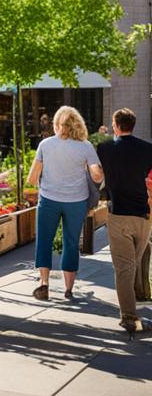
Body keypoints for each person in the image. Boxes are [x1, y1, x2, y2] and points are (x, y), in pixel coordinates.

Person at [27, 105, 103, 302]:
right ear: (76, 124)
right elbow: (97, 174)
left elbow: (32, 178)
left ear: (56, 124)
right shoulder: (85, 146)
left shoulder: (45, 145)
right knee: (71, 243)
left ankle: (44, 285)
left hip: (49, 200)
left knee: (44, 240)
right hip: (75, 202)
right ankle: (69, 289)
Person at [94, 108, 152, 334]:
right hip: (143, 216)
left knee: (124, 269)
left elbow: (97, 175)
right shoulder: (148, 149)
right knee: (132, 265)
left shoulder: (105, 148)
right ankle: (134, 310)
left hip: (118, 214)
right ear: (133, 125)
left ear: (116, 125)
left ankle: (129, 318)